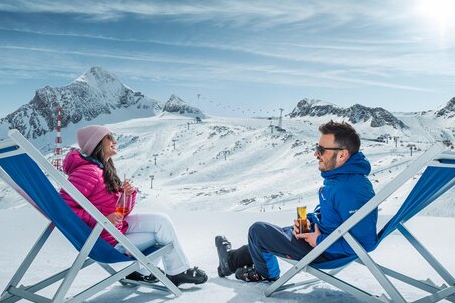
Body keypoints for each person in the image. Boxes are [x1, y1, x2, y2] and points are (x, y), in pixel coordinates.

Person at [215, 121, 378, 282]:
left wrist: (317, 240)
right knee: (270, 236)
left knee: (258, 231)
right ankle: (230, 261)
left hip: (324, 252)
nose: (316, 154)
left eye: (321, 150)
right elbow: (336, 214)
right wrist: (311, 221)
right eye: (317, 148)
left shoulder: (350, 189)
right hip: (320, 238)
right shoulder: (341, 177)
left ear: (342, 154)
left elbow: (365, 243)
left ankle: (265, 273)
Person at [60, 124, 207, 286]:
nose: (114, 141)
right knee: (161, 238)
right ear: (96, 143)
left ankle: (143, 273)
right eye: (109, 137)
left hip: (113, 230)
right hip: (105, 241)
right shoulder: (88, 172)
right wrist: (101, 219)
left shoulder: (101, 170)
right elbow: (64, 209)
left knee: (162, 221)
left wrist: (127, 195)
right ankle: (176, 272)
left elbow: (120, 213)